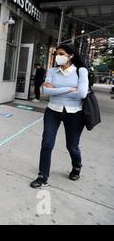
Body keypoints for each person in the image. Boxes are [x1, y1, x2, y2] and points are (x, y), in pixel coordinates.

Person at [30, 43, 89, 189]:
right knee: (47, 143)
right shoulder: (52, 71)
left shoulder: (81, 71)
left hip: (74, 114)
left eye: (61, 54)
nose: (58, 56)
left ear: (70, 56)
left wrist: (56, 89)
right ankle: (42, 176)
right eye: (57, 54)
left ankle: (77, 166)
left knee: (72, 146)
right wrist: (69, 89)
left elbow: (82, 93)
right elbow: (46, 91)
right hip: (52, 111)